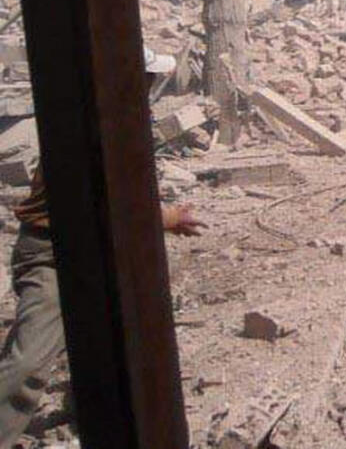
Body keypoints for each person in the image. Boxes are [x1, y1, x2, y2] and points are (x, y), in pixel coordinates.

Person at [0, 46, 206, 448]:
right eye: (143, 80)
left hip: (92, 249)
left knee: (112, 333)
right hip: (51, 253)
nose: (147, 89)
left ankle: (99, 411)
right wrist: (164, 219)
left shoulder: (118, 122)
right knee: (28, 363)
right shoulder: (86, 126)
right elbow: (99, 207)